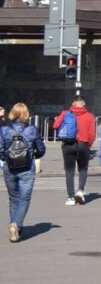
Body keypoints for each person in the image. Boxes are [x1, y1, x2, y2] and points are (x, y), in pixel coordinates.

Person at [2, 103, 47, 243]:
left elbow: (0, 150)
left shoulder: (4, 130)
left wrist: (8, 158)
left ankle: (14, 225)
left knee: (13, 198)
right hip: (27, 168)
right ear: (26, 114)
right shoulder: (32, 129)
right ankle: (16, 225)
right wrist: (33, 155)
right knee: (24, 199)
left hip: (9, 168)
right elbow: (41, 149)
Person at [53, 96, 97, 206]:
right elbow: (92, 134)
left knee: (69, 171)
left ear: (73, 103)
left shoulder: (65, 113)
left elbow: (55, 125)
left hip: (68, 145)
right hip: (83, 145)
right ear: (83, 103)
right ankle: (80, 191)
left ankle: (71, 197)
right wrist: (88, 145)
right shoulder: (90, 116)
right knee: (83, 169)